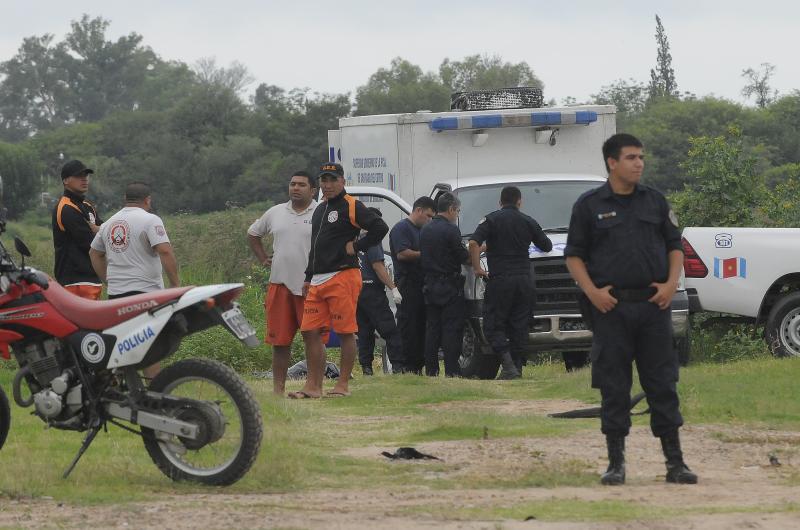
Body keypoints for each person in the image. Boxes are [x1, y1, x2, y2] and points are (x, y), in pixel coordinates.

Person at [564, 133, 697, 486]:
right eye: (631, 157)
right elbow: (573, 255)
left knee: (662, 384)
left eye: (641, 157)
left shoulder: (654, 201)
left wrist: (671, 283)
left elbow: (674, 245)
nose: (639, 163)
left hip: (653, 308)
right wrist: (592, 292)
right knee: (614, 385)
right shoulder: (589, 205)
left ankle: (675, 463)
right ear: (612, 162)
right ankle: (616, 463)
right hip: (612, 310)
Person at [289, 163, 388, 398]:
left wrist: (357, 246)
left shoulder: (352, 205)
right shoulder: (320, 209)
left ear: (342, 181)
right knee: (309, 331)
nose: (328, 184)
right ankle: (313, 387)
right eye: (324, 180)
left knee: (345, 332)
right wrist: (308, 276)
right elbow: (315, 246)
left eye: (333, 180)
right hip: (317, 280)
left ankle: (342, 385)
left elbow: (379, 227)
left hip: (343, 276)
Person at [89, 182, 179, 378]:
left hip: (117, 295)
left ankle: (122, 392)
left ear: (125, 199)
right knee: (150, 346)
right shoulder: (150, 220)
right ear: (147, 200)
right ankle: (154, 391)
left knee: (123, 347)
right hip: (146, 294)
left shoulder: (109, 223)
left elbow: (94, 253)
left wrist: (107, 280)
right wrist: (175, 285)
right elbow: (164, 250)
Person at [247, 171, 322, 395]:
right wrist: (262, 258)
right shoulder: (276, 212)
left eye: (301, 185)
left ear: (313, 190)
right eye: (292, 184)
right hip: (279, 285)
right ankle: (278, 390)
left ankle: (313, 386)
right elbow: (253, 233)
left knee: (313, 338)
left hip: (311, 285)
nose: (295, 188)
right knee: (280, 342)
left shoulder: (321, 212)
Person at [468, 186, 552, 380]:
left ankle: (508, 366)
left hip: (501, 280)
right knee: (520, 325)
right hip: (525, 281)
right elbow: (546, 246)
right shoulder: (528, 221)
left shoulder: (491, 219)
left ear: (500, 202)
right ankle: (517, 369)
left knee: (492, 325)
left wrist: (477, 268)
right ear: (519, 202)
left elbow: (473, 243)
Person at [419, 192, 469, 377]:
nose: (457, 215)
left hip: (430, 284)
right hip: (449, 285)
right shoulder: (451, 230)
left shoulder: (425, 229)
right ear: (451, 209)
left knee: (432, 329)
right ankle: (452, 370)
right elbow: (462, 257)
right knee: (451, 329)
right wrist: (477, 251)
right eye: (457, 211)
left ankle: (431, 370)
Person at [389, 197, 435, 373]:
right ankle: (406, 365)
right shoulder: (402, 228)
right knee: (409, 326)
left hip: (422, 283)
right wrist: (427, 254)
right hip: (408, 283)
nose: (430, 220)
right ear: (419, 210)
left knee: (422, 325)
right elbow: (402, 254)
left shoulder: (423, 230)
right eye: (428, 216)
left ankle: (418, 364)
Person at [356, 207, 403, 375]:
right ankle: (398, 366)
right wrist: (393, 287)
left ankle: (366, 368)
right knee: (389, 329)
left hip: (356, 292)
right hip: (372, 292)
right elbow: (378, 267)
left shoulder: (353, 241)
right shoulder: (372, 241)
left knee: (364, 332)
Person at [53, 159, 103, 299]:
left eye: (86, 175)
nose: (84, 179)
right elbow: (90, 243)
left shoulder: (87, 205)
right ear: (66, 180)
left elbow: (103, 229)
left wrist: (101, 230)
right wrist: (101, 232)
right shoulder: (66, 208)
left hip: (91, 277)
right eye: (78, 176)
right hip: (75, 280)